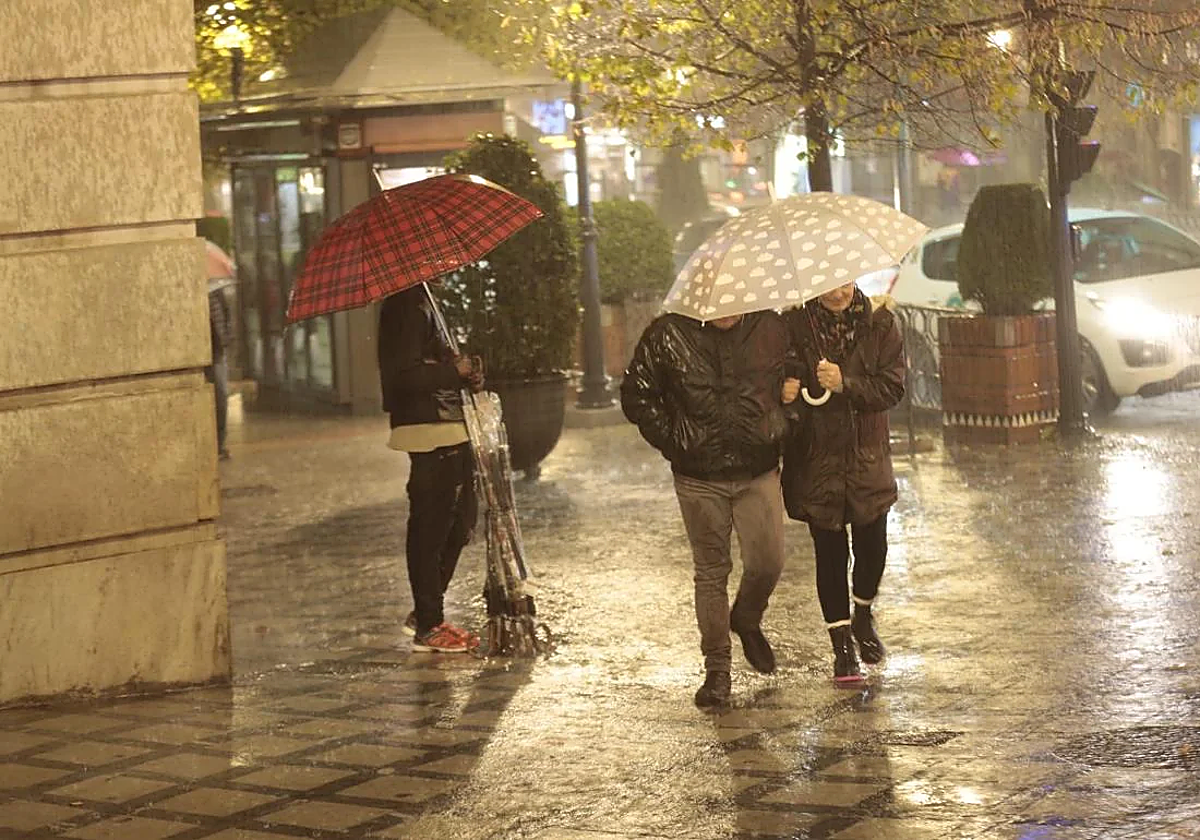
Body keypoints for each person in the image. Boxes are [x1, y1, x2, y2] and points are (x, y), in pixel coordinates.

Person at [621, 310, 791, 708]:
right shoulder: (667, 333)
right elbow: (636, 394)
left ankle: (746, 617)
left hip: (758, 468)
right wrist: (675, 439)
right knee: (711, 571)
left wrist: (786, 417)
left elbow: (795, 380)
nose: (725, 311)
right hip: (698, 476)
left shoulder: (770, 327)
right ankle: (717, 670)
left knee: (768, 562)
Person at [780, 283, 905, 687]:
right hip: (817, 461)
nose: (838, 292)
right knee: (829, 554)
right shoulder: (795, 326)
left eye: (845, 282)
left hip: (867, 459)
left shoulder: (881, 324)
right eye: (828, 286)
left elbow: (892, 387)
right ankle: (842, 646)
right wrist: (789, 390)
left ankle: (863, 613)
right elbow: (779, 378)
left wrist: (845, 383)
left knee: (873, 548)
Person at [378, 283, 484, 654]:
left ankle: (426, 610)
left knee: (461, 522)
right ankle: (429, 622)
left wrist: (464, 374)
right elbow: (401, 378)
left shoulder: (426, 298)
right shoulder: (404, 304)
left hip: (449, 425)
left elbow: (436, 365)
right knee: (431, 526)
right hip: (426, 430)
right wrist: (452, 371)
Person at [206, 285, 232, 461]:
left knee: (221, 397)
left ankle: (219, 444)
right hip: (204, 354)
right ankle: (212, 443)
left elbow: (225, 317)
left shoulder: (216, 292)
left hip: (218, 353)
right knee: (214, 399)